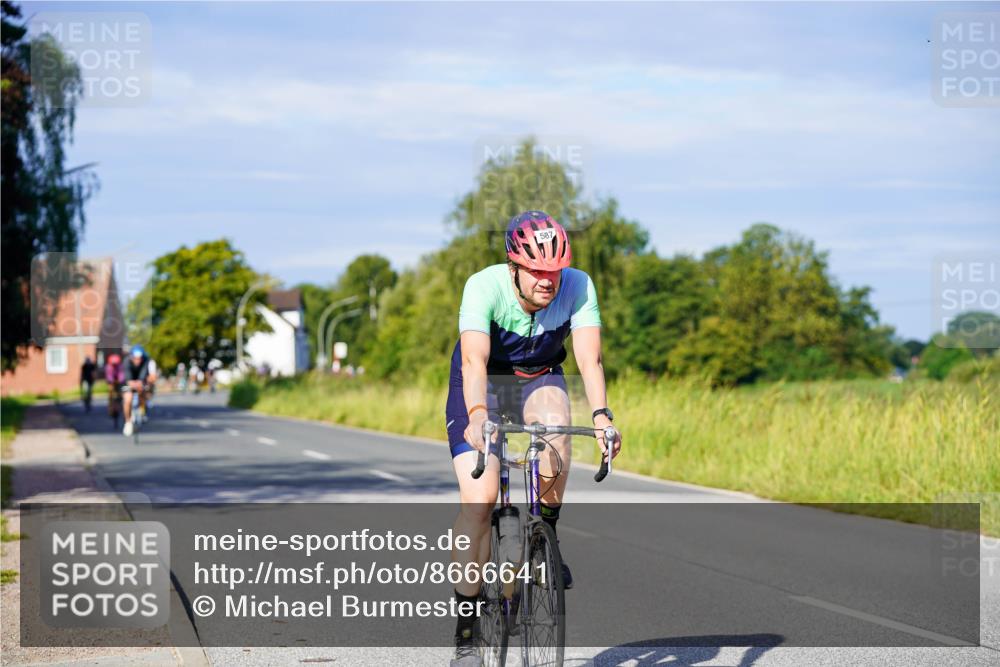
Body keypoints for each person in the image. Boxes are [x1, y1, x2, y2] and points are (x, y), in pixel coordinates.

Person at [445, 210, 622, 666]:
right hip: (482, 382)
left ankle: (547, 538)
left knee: (557, 434)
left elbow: (590, 359)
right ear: (514, 267)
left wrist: (602, 417)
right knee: (479, 503)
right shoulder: (483, 286)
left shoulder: (578, 286)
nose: (549, 281)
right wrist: (479, 416)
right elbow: (473, 361)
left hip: (539, 375)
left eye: (555, 272)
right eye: (538, 272)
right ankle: (467, 629)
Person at [122, 346, 150, 436]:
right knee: (128, 399)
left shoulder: (145, 361)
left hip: (139, 380)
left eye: (140, 359)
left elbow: (143, 375)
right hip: (129, 380)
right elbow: (128, 379)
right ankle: (127, 421)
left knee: (143, 391)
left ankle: (142, 409)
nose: (138, 361)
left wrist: (141, 383)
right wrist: (133, 384)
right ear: (132, 357)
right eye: (136, 359)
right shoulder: (126, 362)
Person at [105, 354, 125, 426]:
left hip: (119, 382)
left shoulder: (120, 366)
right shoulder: (108, 367)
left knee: (122, 391)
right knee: (110, 390)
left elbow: (122, 375)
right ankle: (110, 406)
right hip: (112, 382)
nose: (114, 365)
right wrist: (112, 381)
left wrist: (120, 380)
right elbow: (109, 376)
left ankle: (122, 405)